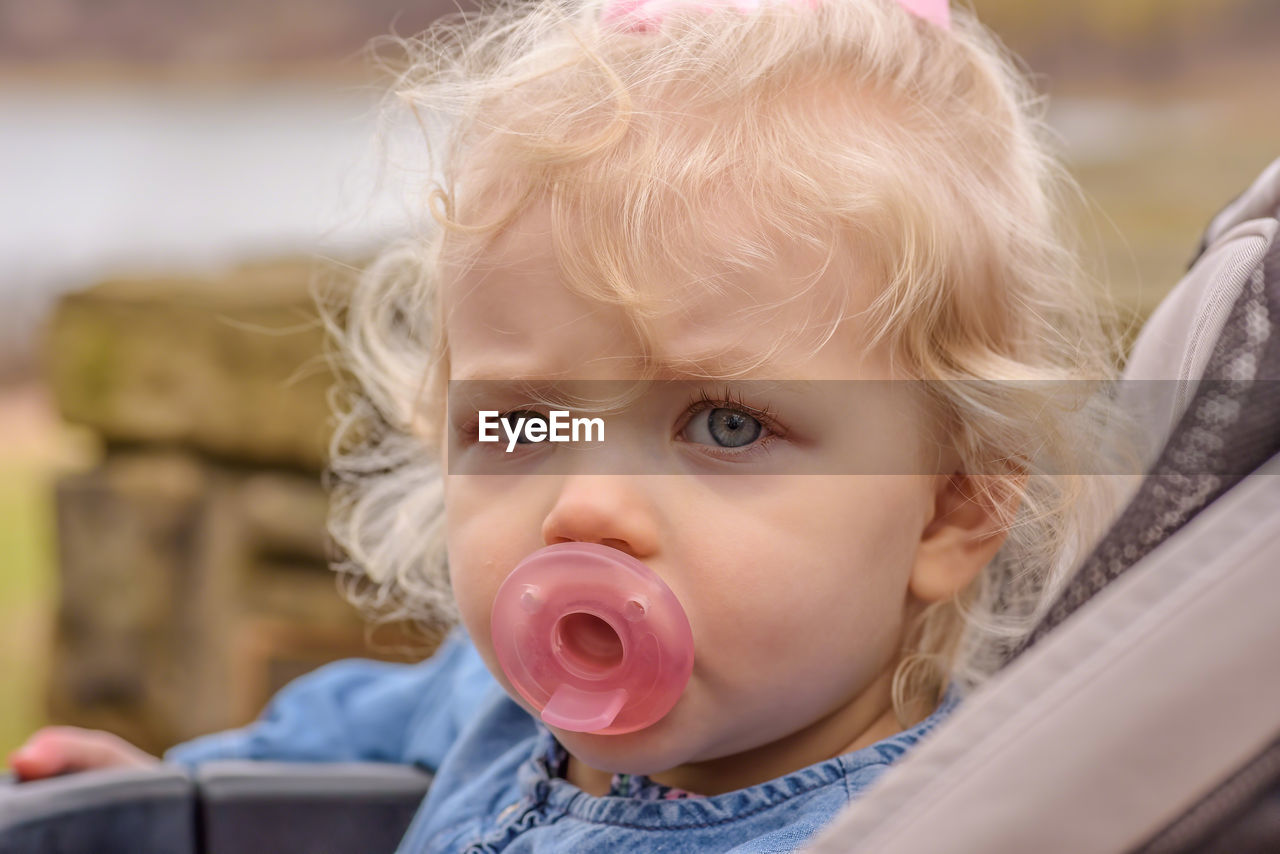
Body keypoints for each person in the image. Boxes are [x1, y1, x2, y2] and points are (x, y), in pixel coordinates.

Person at [7, 0, 1134, 849]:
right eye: (521, 420)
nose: (581, 501)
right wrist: (163, 789)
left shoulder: (931, 826)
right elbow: (324, 740)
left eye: (726, 426)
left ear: (952, 501)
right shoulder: (491, 702)